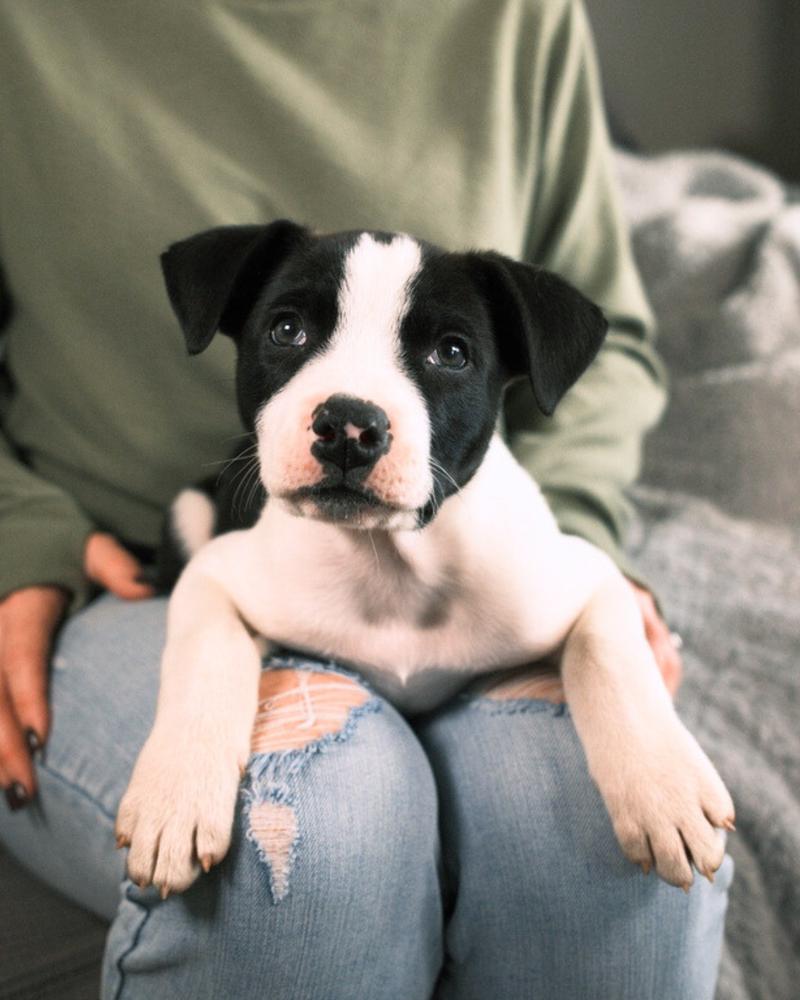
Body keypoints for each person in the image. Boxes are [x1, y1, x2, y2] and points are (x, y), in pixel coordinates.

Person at [0, 1, 731, 997]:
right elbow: (213, 581)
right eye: (294, 330)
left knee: (610, 857)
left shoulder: (518, 19)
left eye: (443, 350)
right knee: (311, 827)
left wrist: (629, 707)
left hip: (465, 567)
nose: (352, 417)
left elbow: (590, 592)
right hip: (103, 550)